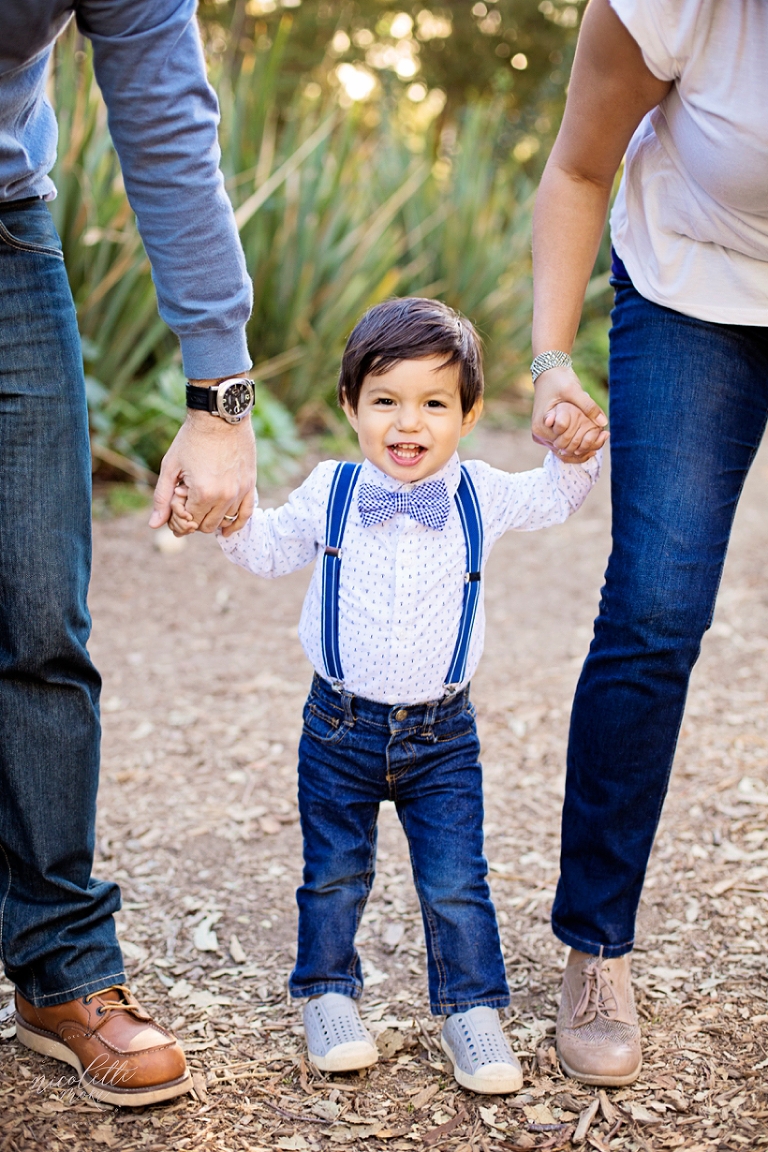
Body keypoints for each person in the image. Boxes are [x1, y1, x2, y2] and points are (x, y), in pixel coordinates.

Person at [172, 297, 602, 1093]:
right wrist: (223, 518)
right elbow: (268, 551)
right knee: (334, 872)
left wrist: (574, 446)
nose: (409, 424)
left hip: (444, 736)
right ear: (350, 405)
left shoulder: (480, 494)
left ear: (469, 414)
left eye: (434, 403)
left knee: (455, 878)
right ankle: (328, 993)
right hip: (338, 726)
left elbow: (557, 496)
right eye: (386, 401)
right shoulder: (332, 489)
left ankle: (471, 1008)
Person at [3, 0, 257, 1107]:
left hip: (5, 241)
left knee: (40, 618)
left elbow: (163, 111)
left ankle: (62, 971)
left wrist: (221, 395)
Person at [529, 0, 768, 1086]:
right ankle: (596, 945)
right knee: (657, 609)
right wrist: (550, 357)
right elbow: (581, 168)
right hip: (695, 291)